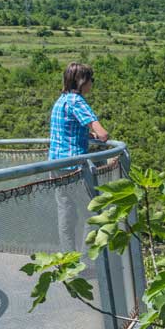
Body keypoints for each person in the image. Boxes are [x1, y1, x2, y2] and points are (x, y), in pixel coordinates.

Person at [49, 62, 109, 252]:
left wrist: (84, 134)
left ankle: (69, 260)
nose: (92, 83)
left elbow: (68, 130)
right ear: (82, 81)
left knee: (66, 214)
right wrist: (98, 134)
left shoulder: (61, 100)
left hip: (57, 165)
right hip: (74, 167)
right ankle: (87, 259)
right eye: (92, 79)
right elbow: (102, 134)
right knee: (93, 213)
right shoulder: (77, 101)